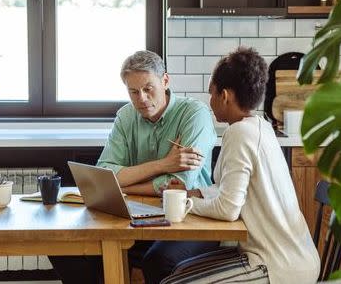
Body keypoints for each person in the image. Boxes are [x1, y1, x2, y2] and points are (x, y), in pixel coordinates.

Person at [49, 50, 219, 284]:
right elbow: (105, 175)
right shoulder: (126, 116)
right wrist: (164, 164)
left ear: (165, 81)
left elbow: (179, 186)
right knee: (63, 247)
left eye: (148, 89)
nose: (141, 98)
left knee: (154, 263)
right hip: (136, 217)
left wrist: (125, 185)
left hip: (191, 217)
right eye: (133, 91)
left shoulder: (194, 114)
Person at [159, 47, 320, 284]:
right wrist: (192, 192)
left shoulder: (240, 133)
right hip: (282, 255)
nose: (210, 101)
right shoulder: (259, 126)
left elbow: (228, 209)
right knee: (177, 272)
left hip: (277, 263)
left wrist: (186, 203)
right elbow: (232, 189)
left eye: (211, 93)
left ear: (225, 96)